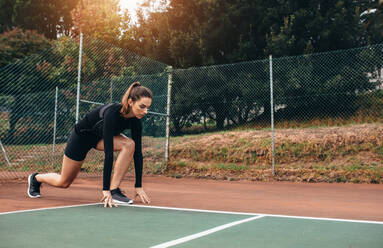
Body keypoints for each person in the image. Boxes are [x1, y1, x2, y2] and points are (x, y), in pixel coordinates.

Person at [27, 82, 152, 207]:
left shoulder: (136, 121)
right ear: (130, 102)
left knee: (129, 145)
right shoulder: (112, 114)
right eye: (142, 106)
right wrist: (105, 190)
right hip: (81, 137)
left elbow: (138, 154)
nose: (145, 111)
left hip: (98, 139)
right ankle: (36, 178)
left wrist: (138, 186)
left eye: (147, 107)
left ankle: (115, 191)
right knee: (64, 182)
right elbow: (109, 154)